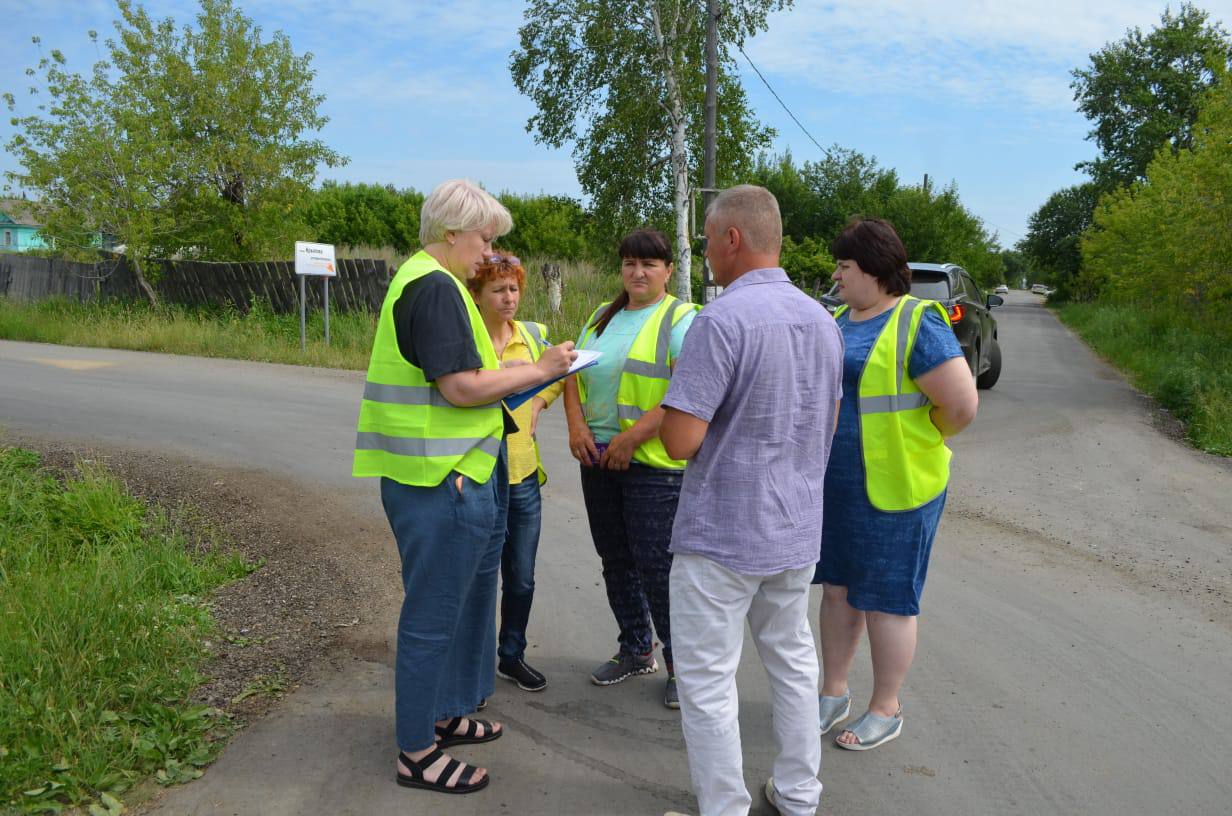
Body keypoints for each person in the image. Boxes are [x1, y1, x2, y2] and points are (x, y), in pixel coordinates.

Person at [352, 179, 576, 794]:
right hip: (439, 480)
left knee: (450, 611)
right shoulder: (435, 287)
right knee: (432, 617)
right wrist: (542, 369)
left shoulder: (432, 280)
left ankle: (444, 712)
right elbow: (459, 388)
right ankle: (417, 752)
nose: (488, 253)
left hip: (445, 473)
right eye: (484, 239)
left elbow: (461, 378)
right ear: (452, 234)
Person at [660, 184, 843, 816]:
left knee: (709, 677)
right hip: (793, 527)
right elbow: (827, 418)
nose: (705, 251)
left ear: (732, 238)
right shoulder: (824, 320)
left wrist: (676, 392)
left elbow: (681, 440)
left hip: (722, 533)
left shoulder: (720, 322)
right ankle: (798, 796)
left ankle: (724, 808)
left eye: (708, 238)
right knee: (792, 661)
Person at [813, 216, 978, 751]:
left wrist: (920, 439)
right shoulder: (839, 319)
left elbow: (960, 406)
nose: (836, 276)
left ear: (876, 271)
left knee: (887, 599)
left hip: (900, 487)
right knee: (838, 591)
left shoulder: (917, 321)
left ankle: (886, 708)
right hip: (838, 486)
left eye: (844, 266)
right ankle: (831, 694)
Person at [562, 228, 698, 709]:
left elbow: (684, 393)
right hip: (597, 457)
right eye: (628, 263)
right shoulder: (602, 316)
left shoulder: (682, 318)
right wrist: (577, 427)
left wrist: (631, 439)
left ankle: (684, 667)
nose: (637, 272)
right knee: (615, 559)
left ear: (667, 270)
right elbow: (572, 378)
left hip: (653, 464)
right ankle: (637, 647)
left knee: (657, 566)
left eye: (649, 264)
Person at [467, 252, 561, 693]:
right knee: (477, 580)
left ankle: (511, 656)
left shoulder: (533, 335)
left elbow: (561, 374)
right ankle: (473, 667)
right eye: (498, 290)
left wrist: (540, 401)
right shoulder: (468, 339)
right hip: (479, 475)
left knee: (521, 577)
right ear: (477, 294)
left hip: (523, 475)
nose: (508, 299)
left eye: (514, 289)